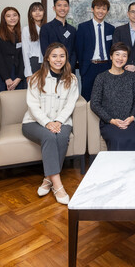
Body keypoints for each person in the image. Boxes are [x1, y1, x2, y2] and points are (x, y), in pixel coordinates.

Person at [22, 43, 79, 205]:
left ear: (66, 58)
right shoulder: (36, 78)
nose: (58, 59)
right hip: (34, 122)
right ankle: (58, 186)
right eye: (54, 56)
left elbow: (70, 104)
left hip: (62, 121)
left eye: (62, 56)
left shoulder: (72, 79)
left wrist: (58, 121)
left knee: (61, 138)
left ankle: (48, 179)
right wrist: (48, 123)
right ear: (47, 58)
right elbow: (32, 105)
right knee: (49, 136)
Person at [90, 42, 135, 150]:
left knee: (134, 139)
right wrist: (111, 120)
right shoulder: (101, 78)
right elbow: (94, 103)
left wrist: (132, 117)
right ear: (111, 56)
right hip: (109, 123)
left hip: (130, 121)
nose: (120, 58)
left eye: (124, 55)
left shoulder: (132, 77)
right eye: (117, 54)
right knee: (118, 140)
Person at [76, 0, 115, 101]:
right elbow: (79, 49)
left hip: (107, 67)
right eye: (98, 8)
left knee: (106, 98)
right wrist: (83, 69)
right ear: (92, 9)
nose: (100, 11)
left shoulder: (111, 29)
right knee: (87, 98)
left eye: (104, 9)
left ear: (107, 11)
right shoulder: (83, 27)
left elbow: (113, 49)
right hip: (89, 67)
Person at [0, 6, 26, 94]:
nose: (12, 18)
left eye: (15, 15)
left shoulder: (21, 34)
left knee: (16, 105)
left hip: (16, 76)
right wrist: (6, 78)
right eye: (8, 16)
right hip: (0, 74)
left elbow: (23, 57)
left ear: (18, 17)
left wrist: (19, 78)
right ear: (4, 18)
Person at [39, 0, 77, 71]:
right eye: (59, 5)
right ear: (54, 8)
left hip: (69, 70)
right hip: (51, 70)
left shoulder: (72, 29)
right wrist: (56, 67)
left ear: (68, 8)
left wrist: (70, 67)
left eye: (65, 6)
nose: (62, 8)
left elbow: (74, 51)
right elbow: (45, 51)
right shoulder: (46, 28)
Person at [22, 2, 46, 80]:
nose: (37, 13)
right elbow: (25, 52)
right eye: (34, 10)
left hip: (46, 63)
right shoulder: (26, 29)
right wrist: (28, 73)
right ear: (30, 14)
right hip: (34, 62)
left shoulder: (47, 28)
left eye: (40, 10)